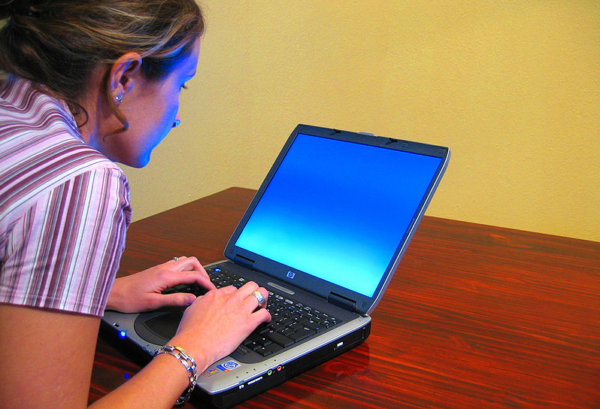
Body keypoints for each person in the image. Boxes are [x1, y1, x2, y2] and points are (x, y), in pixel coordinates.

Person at [0, 1, 271, 407]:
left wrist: (96, 290)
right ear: (123, 76)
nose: (177, 116)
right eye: (181, 85)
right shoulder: (80, 182)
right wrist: (196, 345)